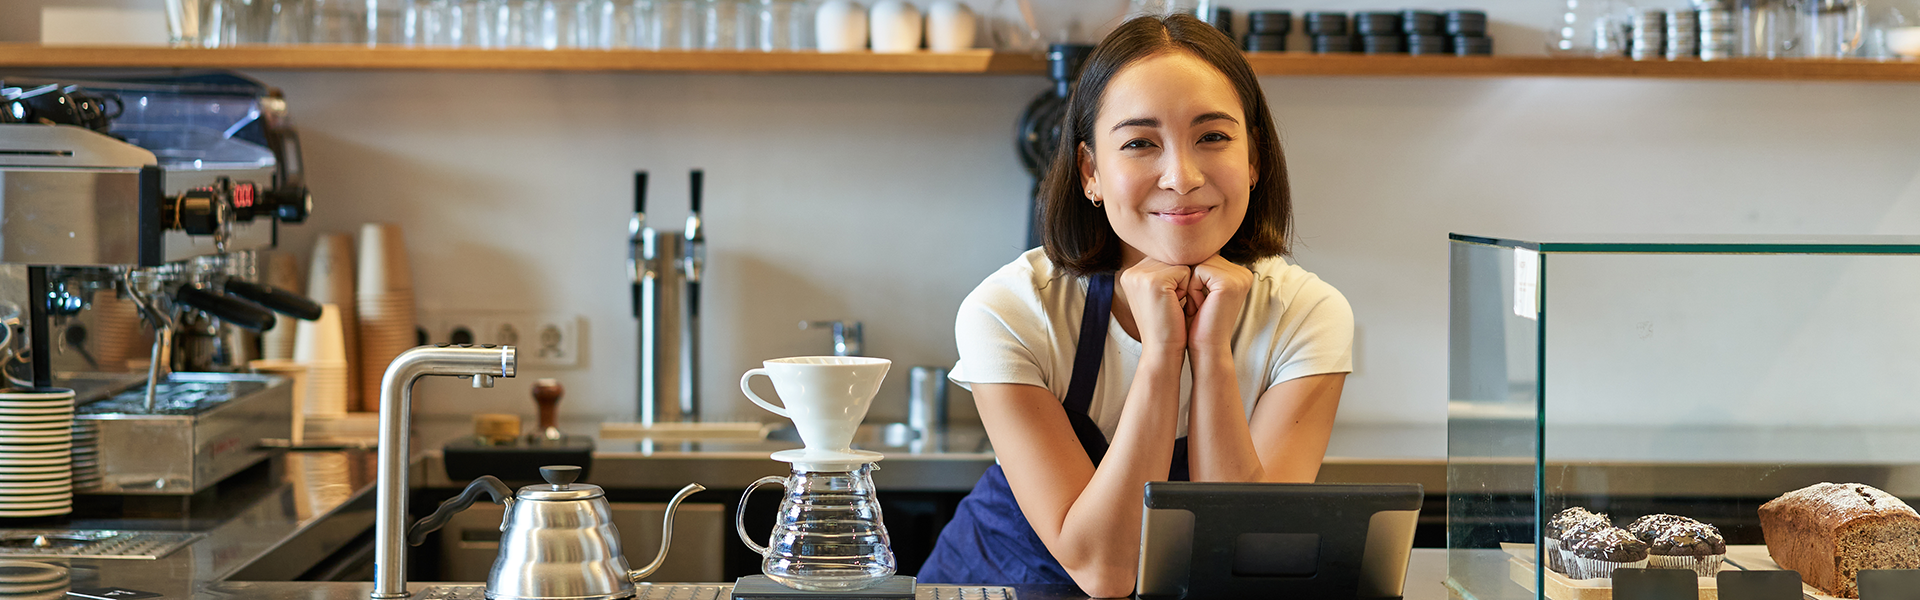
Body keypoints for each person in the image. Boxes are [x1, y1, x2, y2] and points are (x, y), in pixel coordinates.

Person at [916, 13, 1355, 597]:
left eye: (1214, 136)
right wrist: (1162, 354)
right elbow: (1105, 571)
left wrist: (1212, 356)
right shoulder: (1011, 311)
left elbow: (1244, 564)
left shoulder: (1307, 315)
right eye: (1140, 143)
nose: (1182, 175)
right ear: (1090, 172)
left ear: (1255, 160)